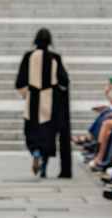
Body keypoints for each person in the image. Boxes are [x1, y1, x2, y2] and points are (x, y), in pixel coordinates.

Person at [15, 28, 71, 178]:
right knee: (48, 134)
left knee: (32, 131)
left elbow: (20, 81)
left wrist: (27, 94)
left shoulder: (28, 56)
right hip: (50, 100)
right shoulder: (55, 57)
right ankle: (44, 164)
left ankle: (35, 152)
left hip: (32, 99)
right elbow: (64, 80)